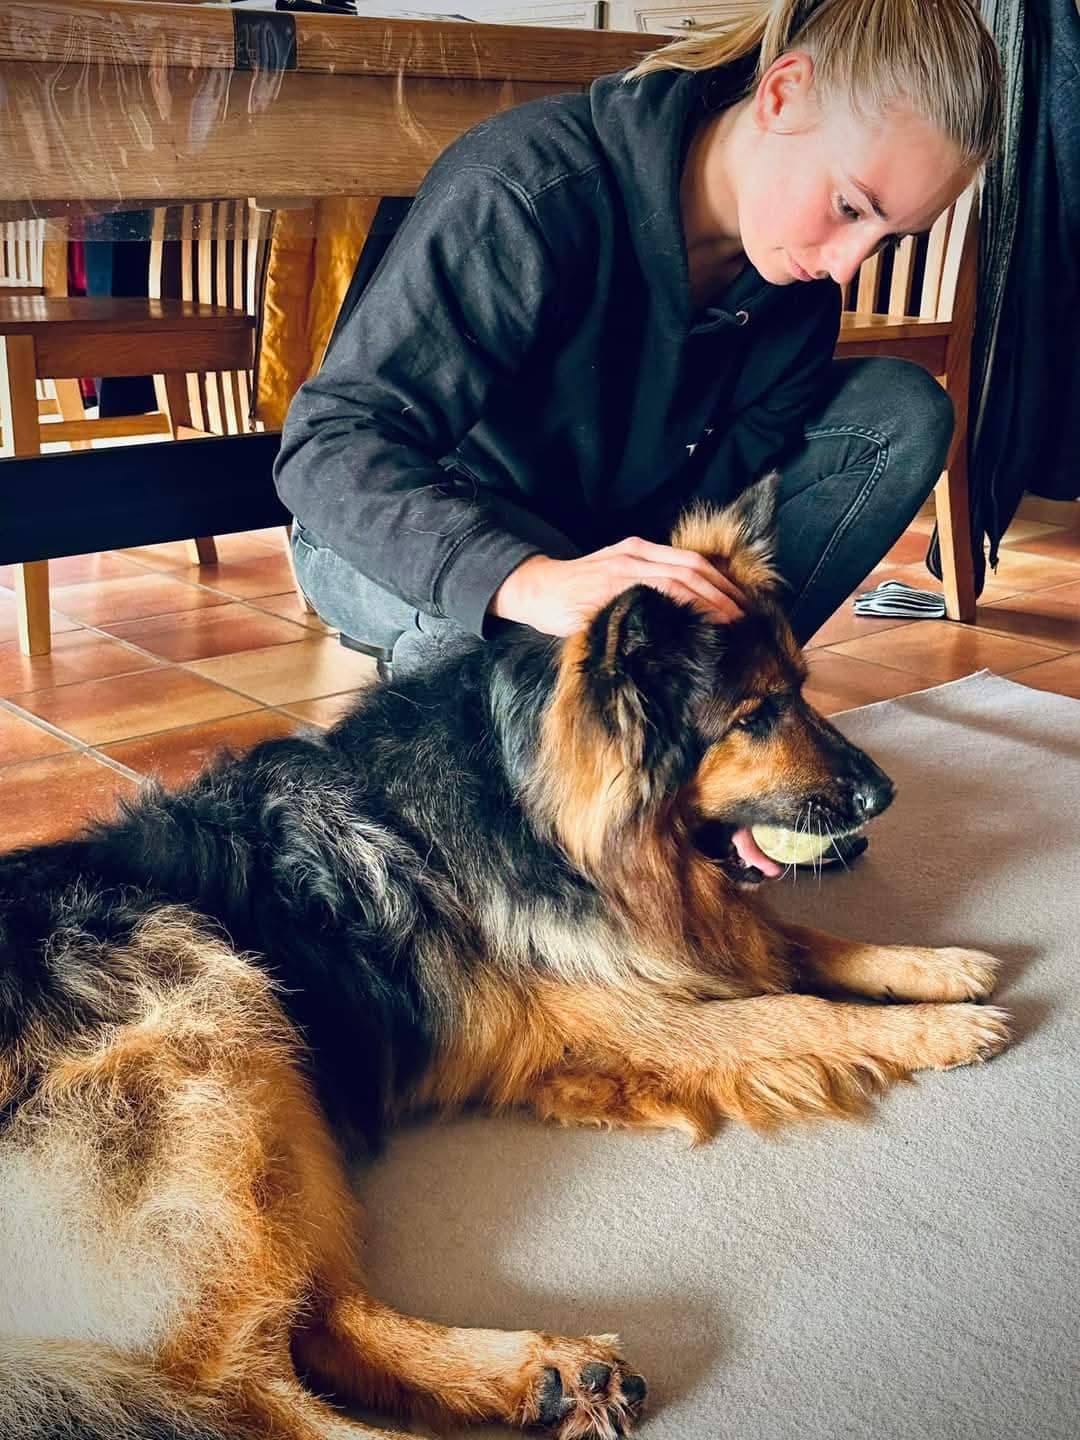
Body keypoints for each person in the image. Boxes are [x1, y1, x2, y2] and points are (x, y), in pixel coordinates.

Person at [275, 0, 1001, 679]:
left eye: (889, 240)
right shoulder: (526, 188)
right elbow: (327, 447)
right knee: (519, 654)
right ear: (782, 94)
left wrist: (663, 624)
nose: (846, 264)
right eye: (849, 206)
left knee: (903, 411)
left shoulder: (799, 300)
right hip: (412, 526)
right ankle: (536, 687)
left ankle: (713, 707)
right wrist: (536, 583)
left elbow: (709, 514)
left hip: (608, 540)